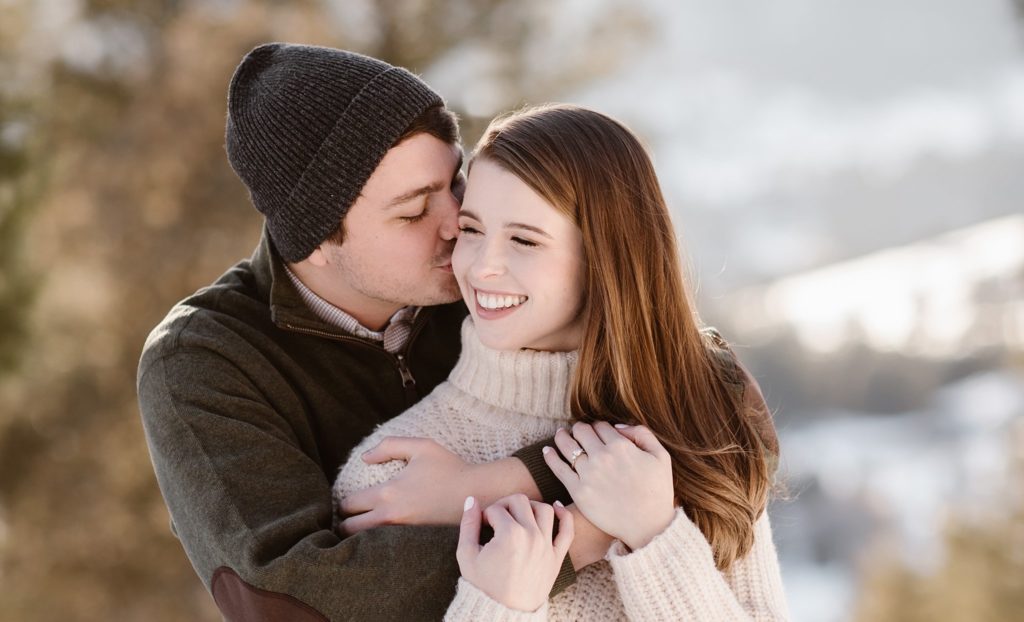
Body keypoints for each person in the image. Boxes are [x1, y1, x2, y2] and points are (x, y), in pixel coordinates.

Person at [137, 43, 582, 622]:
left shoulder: (497, 278)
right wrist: (589, 535)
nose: (459, 223)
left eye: (455, 182)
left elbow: (717, 410)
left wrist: (501, 481)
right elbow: (299, 594)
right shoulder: (204, 360)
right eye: (413, 211)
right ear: (317, 242)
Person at [333, 104, 790, 620]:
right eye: (473, 229)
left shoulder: (702, 423)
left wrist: (656, 536)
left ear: (606, 258)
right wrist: (497, 605)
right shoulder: (393, 479)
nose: (483, 266)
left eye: (524, 240)